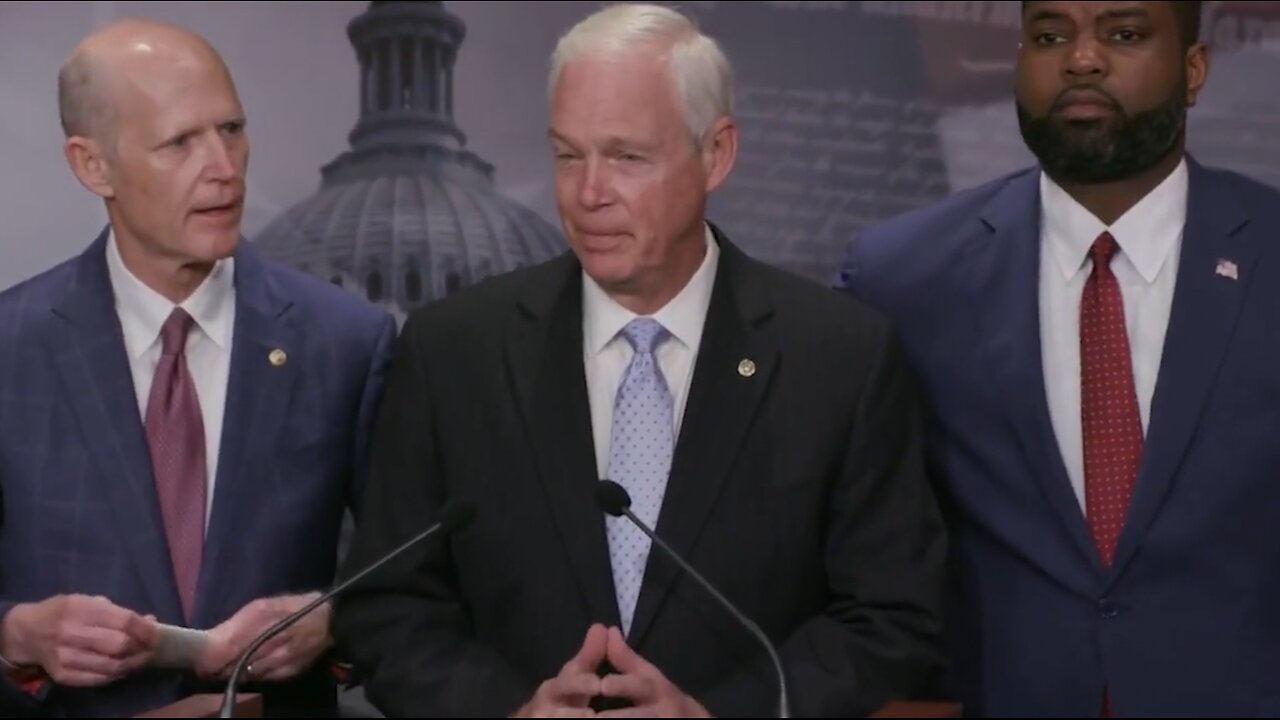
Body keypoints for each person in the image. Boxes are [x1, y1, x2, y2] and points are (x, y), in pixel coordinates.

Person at [332, 3, 949, 718]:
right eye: (568, 154)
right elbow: (387, 606)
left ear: (716, 153)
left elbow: (893, 617)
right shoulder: (452, 353)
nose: (589, 193)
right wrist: (509, 710)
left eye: (627, 156)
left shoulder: (841, 359)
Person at [837, 1, 1280, 716]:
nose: (1081, 59)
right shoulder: (903, 277)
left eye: (1124, 34)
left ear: (1193, 69)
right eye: (1049, 36)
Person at [0, 18, 396, 718]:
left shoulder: (345, 343)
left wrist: (331, 620)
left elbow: (414, 578)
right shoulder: (12, 347)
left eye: (232, 130)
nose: (224, 166)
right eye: (181, 142)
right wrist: (15, 635)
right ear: (93, 166)